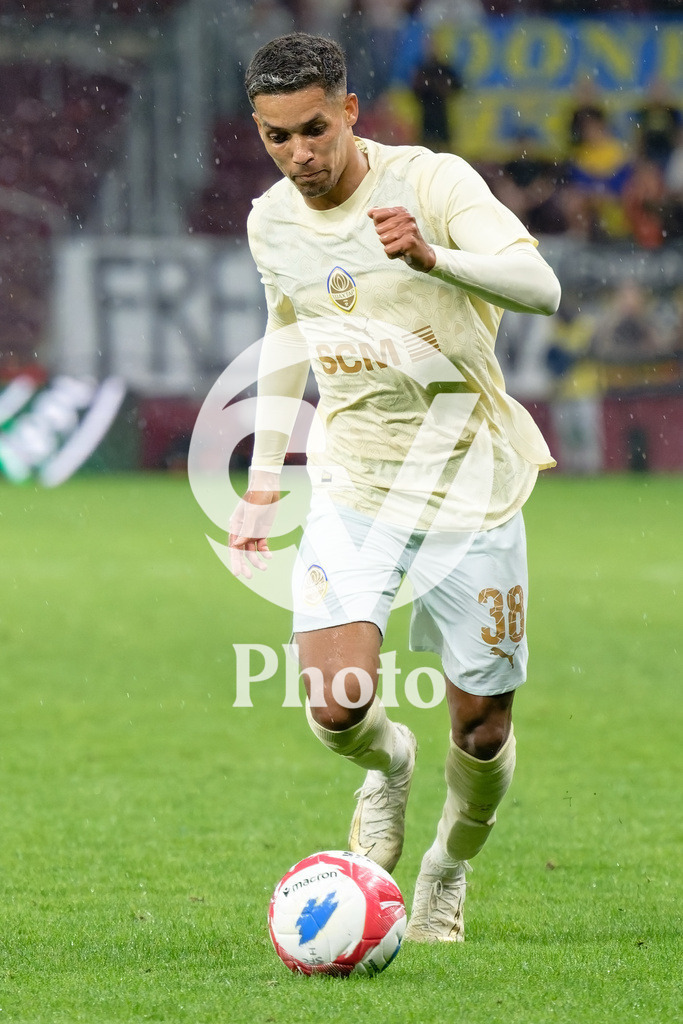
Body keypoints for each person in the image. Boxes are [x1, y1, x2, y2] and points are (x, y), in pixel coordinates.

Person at [230, 32, 561, 942]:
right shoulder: (271, 222)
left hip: (470, 482)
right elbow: (286, 335)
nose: (299, 154)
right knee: (336, 706)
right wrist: (262, 478)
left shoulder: (431, 182)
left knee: (482, 729)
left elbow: (540, 286)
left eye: (313, 130)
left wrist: (432, 259)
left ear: (348, 111)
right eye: (276, 136)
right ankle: (389, 767)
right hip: (357, 482)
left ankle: (445, 869)